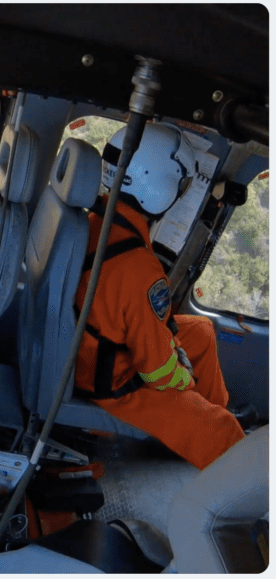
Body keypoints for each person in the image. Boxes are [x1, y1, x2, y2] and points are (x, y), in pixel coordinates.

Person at [74, 122, 244, 469]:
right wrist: (185, 378)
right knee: (224, 432)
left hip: (92, 346)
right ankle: (220, 443)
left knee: (201, 331)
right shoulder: (137, 267)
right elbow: (156, 371)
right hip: (112, 378)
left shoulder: (98, 220)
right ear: (158, 184)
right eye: (180, 185)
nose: (181, 193)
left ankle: (211, 410)